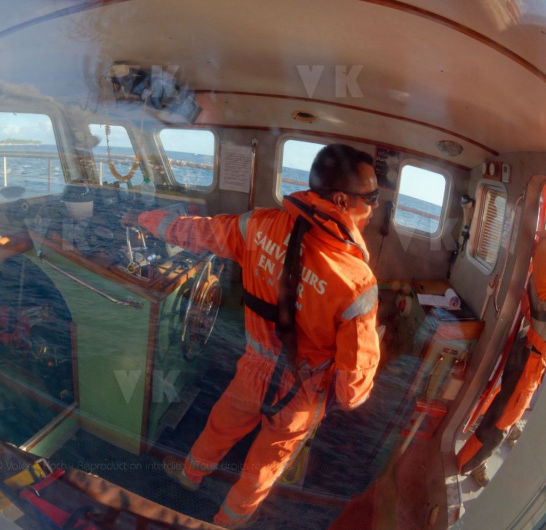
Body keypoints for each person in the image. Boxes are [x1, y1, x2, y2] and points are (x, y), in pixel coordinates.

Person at [129, 144, 381, 528]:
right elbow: (351, 394)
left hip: (254, 367)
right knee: (264, 467)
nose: (375, 209)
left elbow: (195, 232)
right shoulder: (359, 284)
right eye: (371, 199)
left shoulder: (259, 224)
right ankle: (226, 522)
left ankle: (190, 474)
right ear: (342, 201)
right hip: (302, 391)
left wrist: (145, 218)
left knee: (221, 424)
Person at [457, 235, 546, 486]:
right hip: (533, 354)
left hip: (530, 343)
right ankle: (464, 465)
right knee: (503, 419)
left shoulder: (542, 246)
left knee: (505, 398)